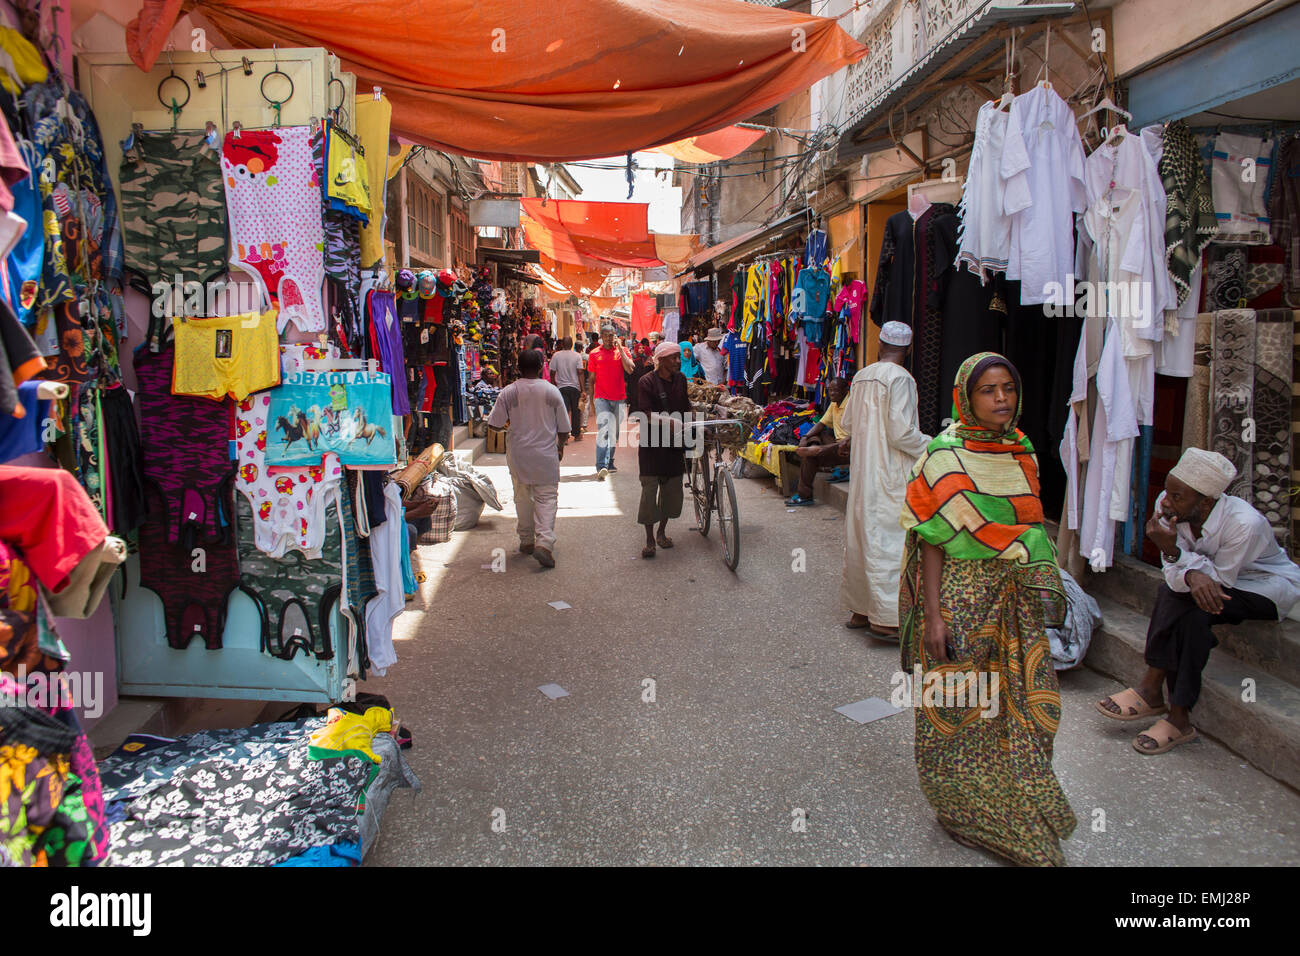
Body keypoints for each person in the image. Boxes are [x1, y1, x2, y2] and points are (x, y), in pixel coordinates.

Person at [899, 352, 1076, 866]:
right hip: (960, 599)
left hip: (1011, 602)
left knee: (1028, 711)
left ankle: (1018, 805)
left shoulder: (1023, 453)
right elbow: (932, 539)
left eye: (1008, 389)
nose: (1002, 399)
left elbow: (1025, 531)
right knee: (960, 710)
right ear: (966, 398)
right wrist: (934, 616)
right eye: (988, 391)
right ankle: (963, 810)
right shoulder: (943, 456)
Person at [1096, 448, 1300, 754]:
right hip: (1208, 585)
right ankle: (1177, 716)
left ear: (1206, 502)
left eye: (1177, 496)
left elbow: (1219, 583)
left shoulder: (1244, 524)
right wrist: (1184, 568)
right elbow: (1175, 576)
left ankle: (1154, 689)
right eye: (1167, 492)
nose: (1165, 502)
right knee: (1190, 612)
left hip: (1266, 588)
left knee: (1189, 603)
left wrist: (1177, 555)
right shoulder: (1169, 507)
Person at [840, 323, 930, 636]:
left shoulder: (862, 375)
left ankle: (860, 611)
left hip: (864, 473)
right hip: (890, 472)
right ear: (907, 349)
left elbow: (847, 422)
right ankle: (886, 619)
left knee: (862, 538)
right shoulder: (902, 379)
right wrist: (936, 445)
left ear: (880, 343)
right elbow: (902, 433)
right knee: (889, 544)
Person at [486, 348, 570, 569]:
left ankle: (526, 540)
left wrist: (513, 425)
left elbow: (493, 424)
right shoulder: (552, 391)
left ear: (518, 368)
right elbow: (563, 428)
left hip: (520, 454)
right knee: (547, 498)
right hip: (546, 454)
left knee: (522, 497)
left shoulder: (509, 392)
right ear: (542, 366)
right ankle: (544, 542)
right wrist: (560, 447)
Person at [637, 341, 692, 559]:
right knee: (649, 494)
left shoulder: (681, 379)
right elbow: (645, 413)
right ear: (660, 360)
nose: (678, 361)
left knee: (671, 494)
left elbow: (686, 406)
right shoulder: (646, 382)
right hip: (651, 446)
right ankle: (650, 540)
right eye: (673, 358)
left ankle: (661, 532)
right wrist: (668, 421)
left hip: (674, 445)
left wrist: (693, 419)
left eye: (679, 357)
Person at [786, 376, 852, 507]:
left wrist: (821, 448)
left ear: (845, 390)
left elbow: (859, 433)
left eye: (836, 391)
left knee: (811, 458)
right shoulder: (834, 404)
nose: (832, 394)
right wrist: (805, 438)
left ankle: (804, 496)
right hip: (836, 443)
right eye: (830, 390)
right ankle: (813, 448)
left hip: (848, 447)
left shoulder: (852, 404)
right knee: (814, 436)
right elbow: (821, 424)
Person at [588, 324, 634, 479]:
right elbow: (591, 378)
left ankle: (610, 461)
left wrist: (620, 349)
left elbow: (630, 369)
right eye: (606, 335)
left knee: (614, 433)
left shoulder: (623, 352)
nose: (609, 338)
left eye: (611, 335)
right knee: (604, 430)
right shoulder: (594, 354)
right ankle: (601, 465)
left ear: (616, 336)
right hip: (601, 398)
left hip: (619, 398)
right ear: (601, 336)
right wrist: (591, 400)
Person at [549, 336, 584, 443]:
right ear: (572, 344)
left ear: (562, 344)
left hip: (561, 388)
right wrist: (583, 390)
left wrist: (553, 384)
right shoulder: (577, 356)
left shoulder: (556, 355)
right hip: (575, 388)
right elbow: (580, 373)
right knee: (575, 411)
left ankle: (564, 437)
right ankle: (577, 434)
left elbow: (552, 372)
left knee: (563, 412)